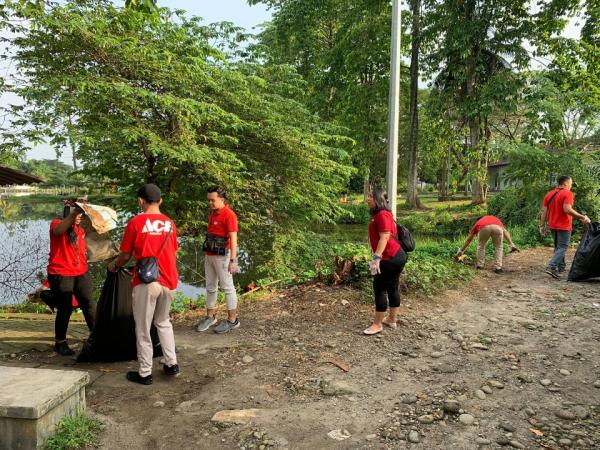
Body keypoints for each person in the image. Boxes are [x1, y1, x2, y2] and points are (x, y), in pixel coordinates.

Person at [108, 184, 179, 385]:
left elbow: (125, 255)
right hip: (169, 281)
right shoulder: (170, 224)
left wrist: (114, 266)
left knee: (143, 328)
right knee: (164, 322)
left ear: (141, 201)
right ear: (160, 201)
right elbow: (173, 252)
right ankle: (171, 364)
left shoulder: (136, 223)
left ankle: (145, 373)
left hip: (146, 281)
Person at [47, 201, 96, 356]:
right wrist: (74, 213)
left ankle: (96, 337)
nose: (78, 216)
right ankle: (60, 342)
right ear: (68, 213)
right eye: (76, 213)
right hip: (61, 273)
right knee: (65, 308)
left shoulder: (80, 230)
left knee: (88, 303)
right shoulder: (57, 224)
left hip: (81, 272)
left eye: (80, 214)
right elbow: (58, 231)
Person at [363, 188, 408, 336]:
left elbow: (385, 237)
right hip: (397, 255)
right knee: (393, 286)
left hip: (390, 257)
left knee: (380, 287)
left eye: (370, 196)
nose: (367, 199)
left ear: (377, 199)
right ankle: (392, 320)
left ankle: (377, 324)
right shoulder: (384, 213)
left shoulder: (382, 214)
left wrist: (376, 257)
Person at [195, 186, 240, 334]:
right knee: (210, 287)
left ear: (221, 199)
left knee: (227, 288)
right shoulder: (212, 213)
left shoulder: (229, 215)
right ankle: (210, 316)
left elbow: (233, 238)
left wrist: (233, 260)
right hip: (210, 254)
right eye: (208, 200)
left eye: (212, 200)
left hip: (223, 256)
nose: (209, 203)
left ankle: (232, 320)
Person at [540, 176, 591, 279]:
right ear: (566, 183)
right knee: (563, 247)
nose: (571, 186)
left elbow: (544, 212)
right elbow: (567, 209)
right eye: (571, 184)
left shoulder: (549, 194)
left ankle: (561, 267)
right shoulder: (567, 193)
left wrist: (542, 225)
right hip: (563, 226)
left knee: (558, 248)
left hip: (552, 225)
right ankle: (551, 267)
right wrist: (582, 217)